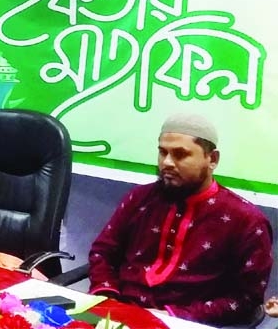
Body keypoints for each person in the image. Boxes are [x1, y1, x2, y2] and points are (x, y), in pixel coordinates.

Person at [88, 113, 273, 326]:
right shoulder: (139, 198)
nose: (166, 162)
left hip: (184, 322)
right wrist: (108, 297)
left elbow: (246, 299)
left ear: (212, 159)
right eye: (162, 152)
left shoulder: (246, 221)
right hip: (118, 312)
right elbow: (103, 252)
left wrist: (173, 315)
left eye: (180, 155)